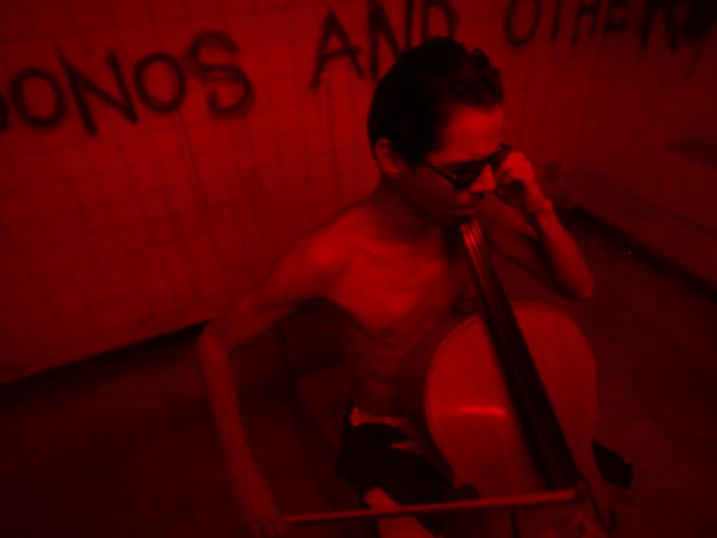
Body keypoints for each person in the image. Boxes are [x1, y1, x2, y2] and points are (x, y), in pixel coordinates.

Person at [195, 36, 594, 538]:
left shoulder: (476, 210)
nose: (488, 185)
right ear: (392, 157)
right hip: (390, 429)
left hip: (470, 408)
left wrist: (540, 209)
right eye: (463, 170)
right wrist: (246, 477)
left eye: (493, 160)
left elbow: (578, 286)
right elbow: (213, 344)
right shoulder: (329, 258)